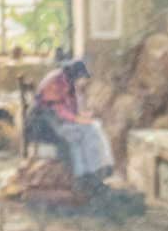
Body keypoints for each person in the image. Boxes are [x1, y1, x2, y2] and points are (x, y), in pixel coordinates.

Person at [33, 59, 114, 190]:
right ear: (75, 75)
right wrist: (77, 119)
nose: (83, 82)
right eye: (82, 78)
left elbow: (69, 106)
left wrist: (81, 115)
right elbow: (57, 108)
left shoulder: (68, 81)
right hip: (45, 123)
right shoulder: (56, 82)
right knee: (82, 134)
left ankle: (92, 173)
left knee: (92, 129)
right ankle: (86, 176)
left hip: (60, 120)